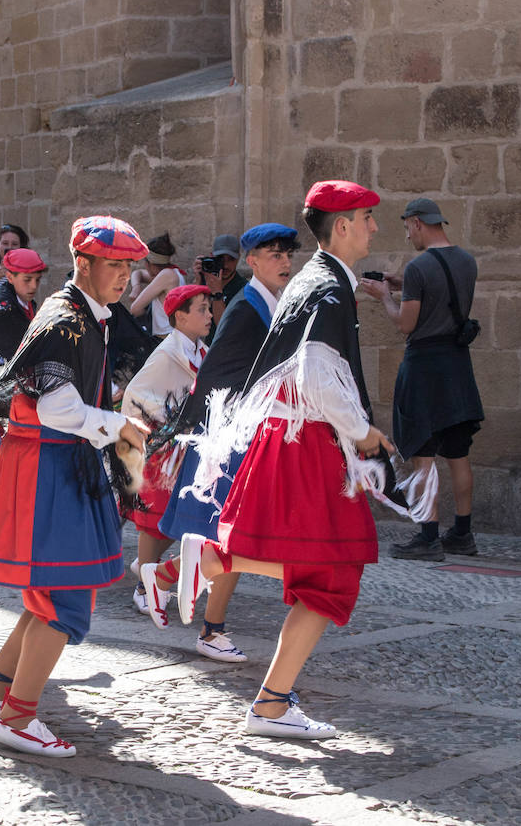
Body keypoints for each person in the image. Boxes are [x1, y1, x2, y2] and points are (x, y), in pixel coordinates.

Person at [179, 181, 391, 740]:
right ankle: (268, 698)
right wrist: (362, 431)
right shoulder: (325, 287)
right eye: (368, 218)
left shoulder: (317, 281)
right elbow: (317, 373)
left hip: (297, 436)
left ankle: (270, 699)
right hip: (307, 440)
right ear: (342, 226)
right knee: (333, 568)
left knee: (328, 572)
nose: (374, 227)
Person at [0, 215, 149, 758]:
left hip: (59, 465)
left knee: (53, 591)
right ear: (82, 265)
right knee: (64, 599)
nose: (125, 277)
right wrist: (120, 427)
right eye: (114, 265)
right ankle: (17, 720)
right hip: (50, 466)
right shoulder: (66, 319)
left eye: (130, 267)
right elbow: (57, 408)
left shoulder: (85, 314)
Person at [150, 223, 300, 663]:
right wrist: (202, 438)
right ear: (252, 261)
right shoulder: (246, 308)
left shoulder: (270, 304)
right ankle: (202, 619)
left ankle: (168, 582)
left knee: (234, 539)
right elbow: (215, 375)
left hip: (243, 435)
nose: (285, 262)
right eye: (275, 254)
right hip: (227, 439)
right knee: (231, 538)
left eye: (288, 254)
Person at [359, 198, 484, 560]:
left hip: (425, 367)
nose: (407, 234)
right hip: (458, 365)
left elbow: (405, 324)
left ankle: (428, 537)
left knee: (424, 454)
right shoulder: (467, 261)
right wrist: (403, 283)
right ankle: (463, 533)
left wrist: (385, 296)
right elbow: (442, 298)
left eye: (407, 227)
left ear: (416, 223)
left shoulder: (420, 267)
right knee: (459, 454)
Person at [123, 283, 212, 626]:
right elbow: (136, 393)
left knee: (172, 515)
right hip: (164, 448)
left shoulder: (198, 351)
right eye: (201, 309)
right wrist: (168, 423)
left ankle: (148, 570)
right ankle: (144, 589)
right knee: (155, 516)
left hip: (182, 445)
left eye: (208, 307)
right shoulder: (167, 353)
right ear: (180, 316)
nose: (208, 315)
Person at [0, 247, 46, 362]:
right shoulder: (3, 306)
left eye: (37, 280)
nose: (34, 286)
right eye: (27, 280)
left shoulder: (28, 303)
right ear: (10, 277)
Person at [128, 234, 184, 337]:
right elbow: (138, 273)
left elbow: (135, 309)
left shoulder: (166, 275)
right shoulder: (174, 273)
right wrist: (136, 287)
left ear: (151, 264)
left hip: (166, 336)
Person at [199, 234, 248, 326]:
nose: (225, 265)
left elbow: (224, 327)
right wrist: (198, 281)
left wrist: (217, 294)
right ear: (211, 256)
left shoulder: (244, 289)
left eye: (231, 259)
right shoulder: (206, 280)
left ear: (238, 258)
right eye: (221, 259)